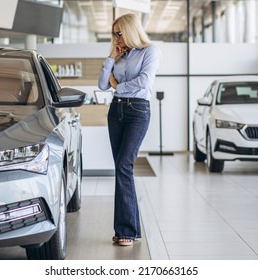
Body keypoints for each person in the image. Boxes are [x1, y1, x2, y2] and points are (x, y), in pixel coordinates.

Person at [98, 13, 160, 246]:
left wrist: (118, 85)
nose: (116, 38)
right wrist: (111, 58)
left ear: (130, 31)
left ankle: (126, 230)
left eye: (119, 33)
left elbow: (144, 82)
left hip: (138, 112)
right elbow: (103, 84)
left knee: (125, 164)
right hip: (116, 111)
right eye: (113, 34)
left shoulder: (150, 51)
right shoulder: (119, 55)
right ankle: (127, 228)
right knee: (121, 169)